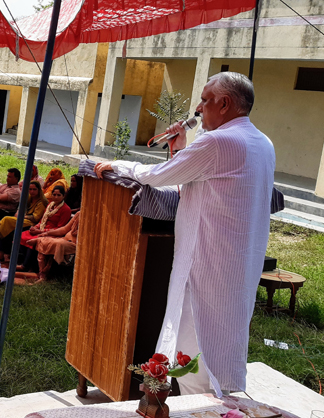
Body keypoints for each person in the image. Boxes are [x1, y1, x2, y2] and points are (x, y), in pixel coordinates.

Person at [93, 72, 275, 396]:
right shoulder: (263, 142)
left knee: (195, 358)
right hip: (238, 270)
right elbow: (199, 181)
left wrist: (117, 164)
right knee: (224, 348)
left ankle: (202, 407)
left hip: (207, 267)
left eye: (205, 100)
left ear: (225, 103)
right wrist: (181, 149)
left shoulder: (218, 141)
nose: (199, 108)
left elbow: (156, 175)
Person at [0, 181, 48, 254]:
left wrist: (23, 216)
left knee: (7, 219)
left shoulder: (41, 202)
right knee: (6, 223)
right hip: (23, 220)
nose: (32, 191)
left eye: (34, 189)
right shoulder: (28, 199)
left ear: (39, 190)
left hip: (32, 223)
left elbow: (36, 218)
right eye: (30, 189)